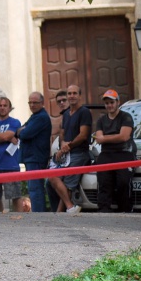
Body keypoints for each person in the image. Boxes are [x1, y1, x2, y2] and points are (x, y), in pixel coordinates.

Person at [48, 85, 91, 214]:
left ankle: (62, 212)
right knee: (52, 176)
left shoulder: (84, 112)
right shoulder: (66, 114)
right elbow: (63, 134)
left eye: (74, 93)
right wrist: (62, 147)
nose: (72, 96)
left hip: (79, 153)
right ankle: (70, 207)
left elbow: (83, 135)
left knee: (67, 185)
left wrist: (69, 146)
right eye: (69, 93)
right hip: (67, 153)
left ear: (79, 96)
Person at [95, 89, 135, 212]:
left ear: (118, 102)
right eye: (107, 103)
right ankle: (104, 210)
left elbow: (124, 136)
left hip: (124, 153)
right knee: (104, 182)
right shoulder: (101, 120)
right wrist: (113, 137)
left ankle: (125, 209)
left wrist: (105, 138)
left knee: (123, 182)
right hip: (106, 154)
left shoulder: (126, 117)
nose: (109, 105)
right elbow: (98, 139)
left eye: (111, 102)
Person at [17, 91, 52, 212]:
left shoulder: (41, 117)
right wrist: (21, 130)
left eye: (35, 102)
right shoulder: (34, 116)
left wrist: (22, 130)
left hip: (36, 157)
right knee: (33, 188)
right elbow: (20, 129)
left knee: (35, 188)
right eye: (30, 102)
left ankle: (39, 214)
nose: (32, 105)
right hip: (31, 157)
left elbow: (25, 133)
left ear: (42, 103)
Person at [45, 91, 67, 212]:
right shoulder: (63, 117)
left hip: (73, 156)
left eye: (64, 100)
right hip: (61, 157)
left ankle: (61, 211)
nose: (62, 103)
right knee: (49, 183)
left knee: (62, 181)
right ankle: (57, 212)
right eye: (59, 101)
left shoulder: (75, 114)